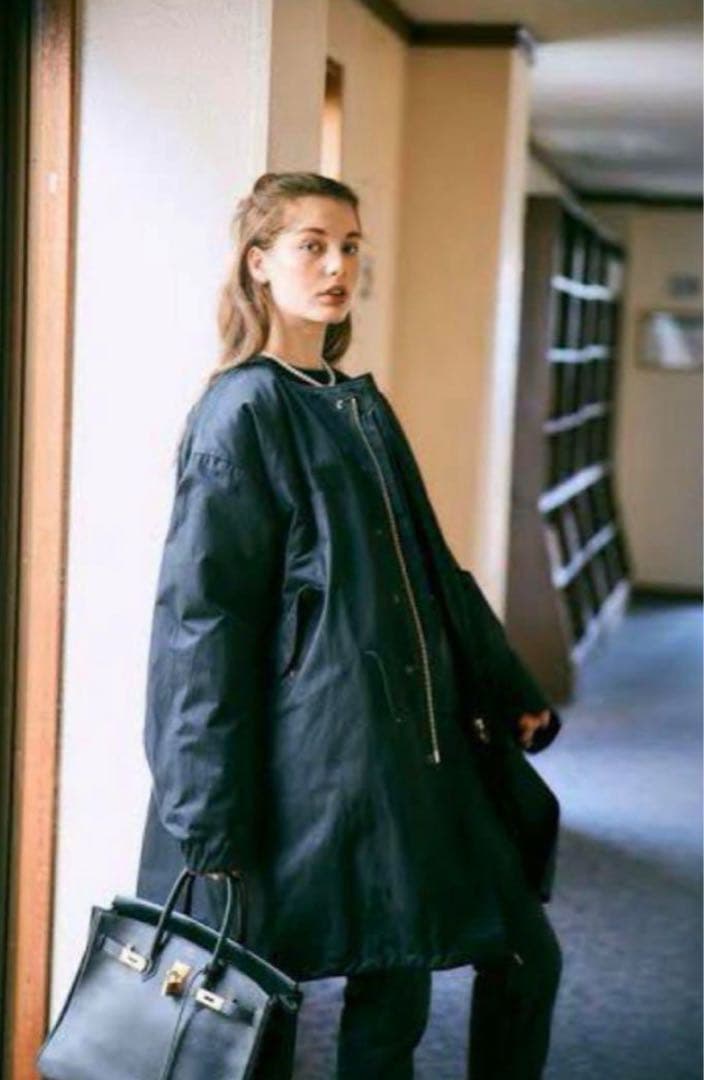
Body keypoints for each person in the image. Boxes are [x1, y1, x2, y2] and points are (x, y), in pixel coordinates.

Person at [136, 171, 563, 1079]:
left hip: (404, 750)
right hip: (309, 761)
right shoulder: (243, 408)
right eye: (313, 246)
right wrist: (203, 814)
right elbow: (200, 626)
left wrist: (507, 686)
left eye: (351, 247)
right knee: (258, 1002)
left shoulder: (354, 400)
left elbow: (430, 569)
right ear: (259, 262)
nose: (338, 267)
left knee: (459, 966)